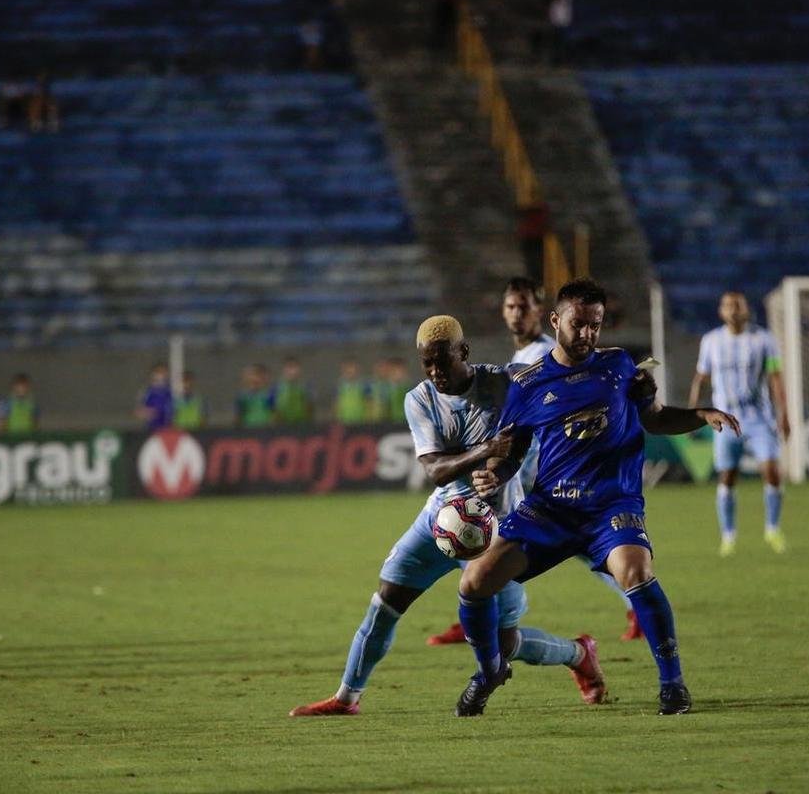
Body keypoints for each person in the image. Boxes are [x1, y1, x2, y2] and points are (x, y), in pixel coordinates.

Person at [289, 315, 606, 716]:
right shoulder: (418, 399)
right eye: (428, 364)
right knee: (385, 601)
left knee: (504, 643)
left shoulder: (502, 383)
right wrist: (487, 449)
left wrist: (597, 379)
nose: (436, 372)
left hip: (498, 530)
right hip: (441, 520)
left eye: (444, 361)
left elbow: (543, 391)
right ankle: (346, 698)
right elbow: (436, 471)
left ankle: (578, 654)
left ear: (465, 352)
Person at [453, 278, 740, 716]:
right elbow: (511, 453)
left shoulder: (620, 366)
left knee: (636, 571)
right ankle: (489, 670)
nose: (587, 333)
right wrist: (493, 476)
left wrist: (701, 414)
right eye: (578, 324)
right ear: (556, 320)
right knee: (473, 583)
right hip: (550, 509)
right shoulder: (527, 384)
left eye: (595, 325)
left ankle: (673, 684)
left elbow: (656, 419)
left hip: (611, 507)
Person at [427, 277, 643, 647]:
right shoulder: (521, 357)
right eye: (511, 306)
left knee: (485, 538)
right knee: (505, 541)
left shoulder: (545, 357)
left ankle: (479, 618)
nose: (517, 314)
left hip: (546, 475)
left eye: (524, 306)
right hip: (526, 474)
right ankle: (477, 615)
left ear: (542, 313)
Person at [688, 291, 790, 557]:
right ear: (721, 312)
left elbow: (776, 378)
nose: (733, 310)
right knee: (727, 477)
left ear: (746, 310)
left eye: (738, 305)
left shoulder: (764, 339)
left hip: (759, 418)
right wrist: (693, 413)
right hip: (725, 419)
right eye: (727, 306)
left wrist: (784, 414)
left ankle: (772, 529)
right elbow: (701, 377)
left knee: (771, 471)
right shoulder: (711, 341)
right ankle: (729, 536)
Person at [271, 357, 314, 424]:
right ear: (284, 370)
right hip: (282, 425)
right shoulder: (276, 388)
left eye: (295, 367)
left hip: (301, 424)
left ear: (299, 369)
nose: (292, 371)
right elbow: (274, 410)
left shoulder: (305, 387)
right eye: (289, 367)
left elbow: (310, 408)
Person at [135, 363, 173, 431]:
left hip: (169, 429)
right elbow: (138, 413)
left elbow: (176, 410)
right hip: (152, 429)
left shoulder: (171, 392)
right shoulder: (146, 393)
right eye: (156, 380)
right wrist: (149, 413)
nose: (159, 383)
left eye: (163, 379)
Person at [235, 364, 274, 428]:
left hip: (265, 429)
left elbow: (273, 414)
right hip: (248, 430)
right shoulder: (242, 397)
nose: (254, 378)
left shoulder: (268, 396)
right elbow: (238, 416)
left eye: (257, 375)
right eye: (251, 375)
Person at [334, 360, 371, 424]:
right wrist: (337, 418)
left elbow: (369, 402)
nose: (350, 372)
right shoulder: (340, 385)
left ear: (358, 370)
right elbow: (337, 402)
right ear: (343, 371)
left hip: (361, 420)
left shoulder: (364, 385)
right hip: (344, 420)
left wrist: (368, 418)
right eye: (347, 370)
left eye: (352, 369)